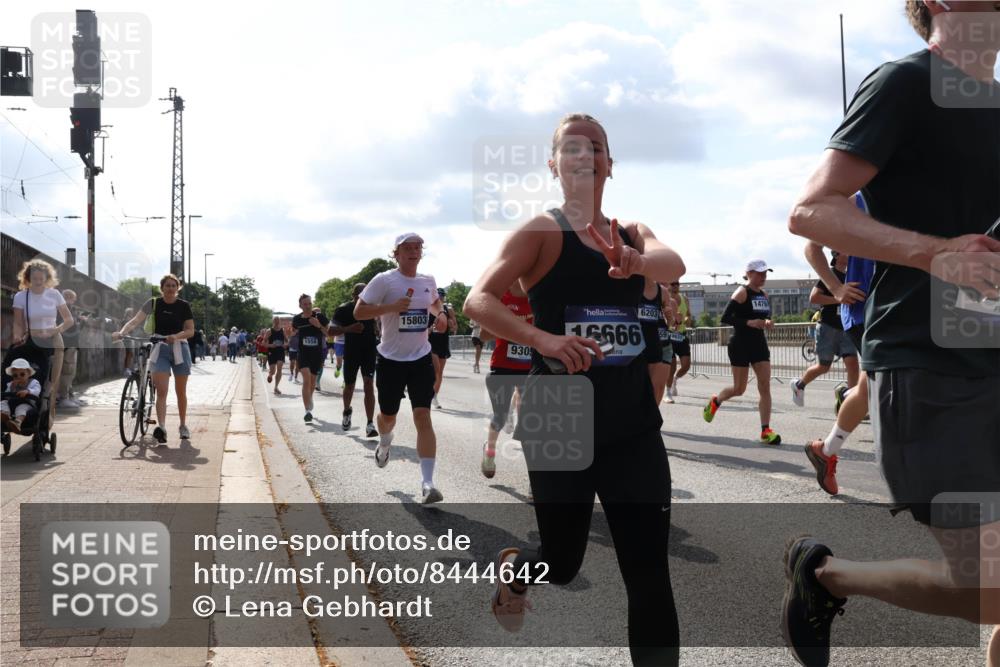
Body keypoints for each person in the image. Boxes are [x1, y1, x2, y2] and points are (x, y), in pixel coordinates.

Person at [782, 3, 1000, 665]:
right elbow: (811, 211)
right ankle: (824, 575)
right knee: (990, 585)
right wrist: (934, 252)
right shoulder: (905, 83)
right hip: (929, 366)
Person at [463, 113, 685, 665]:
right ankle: (518, 573)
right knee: (561, 564)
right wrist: (543, 338)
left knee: (649, 573)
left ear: (611, 164)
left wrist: (634, 261)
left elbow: (673, 261)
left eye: (597, 147)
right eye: (572, 147)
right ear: (554, 164)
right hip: (559, 412)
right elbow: (478, 300)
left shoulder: (631, 232)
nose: (586, 155)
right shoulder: (541, 231)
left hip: (632, 419)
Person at [354, 232, 449, 504]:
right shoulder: (384, 280)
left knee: (423, 416)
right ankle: (385, 441)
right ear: (395, 253)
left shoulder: (427, 280)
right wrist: (391, 307)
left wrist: (440, 314)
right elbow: (359, 312)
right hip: (391, 359)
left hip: (420, 358)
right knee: (387, 415)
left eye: (417, 247)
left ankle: (428, 484)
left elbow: (433, 301)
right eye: (406, 248)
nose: (413, 251)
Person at [801, 194, 873, 496]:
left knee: (871, 386)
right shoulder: (859, 199)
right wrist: (836, 288)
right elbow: (811, 245)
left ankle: (827, 450)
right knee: (881, 384)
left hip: (910, 306)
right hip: (866, 310)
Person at [702, 260, 781, 445]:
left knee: (765, 386)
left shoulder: (764, 294)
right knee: (739, 389)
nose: (763, 277)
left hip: (759, 344)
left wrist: (768, 322)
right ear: (749, 273)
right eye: (760, 273)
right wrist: (749, 322)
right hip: (740, 344)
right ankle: (716, 400)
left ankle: (765, 430)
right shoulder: (741, 292)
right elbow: (725, 317)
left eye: (765, 273)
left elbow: (766, 316)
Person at [114, 274, 195, 444]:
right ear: (162, 288)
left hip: (180, 347)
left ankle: (182, 425)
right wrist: (122, 332)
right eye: (167, 285)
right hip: (159, 348)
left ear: (178, 288)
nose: (171, 288)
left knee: (181, 392)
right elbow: (135, 321)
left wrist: (176, 336)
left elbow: (190, 330)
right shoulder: (153, 303)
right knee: (162, 389)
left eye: (174, 285)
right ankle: (162, 428)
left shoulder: (184, 306)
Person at [790, 250, 860, 406]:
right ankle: (799, 385)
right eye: (847, 251)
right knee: (824, 366)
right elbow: (814, 298)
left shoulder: (851, 276)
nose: (851, 254)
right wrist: (837, 298)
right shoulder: (830, 275)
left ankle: (851, 403)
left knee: (853, 365)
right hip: (828, 326)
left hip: (846, 328)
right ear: (837, 255)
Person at [478, 283, 532, 479]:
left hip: (530, 369)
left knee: (530, 424)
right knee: (500, 417)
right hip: (502, 367)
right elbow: (483, 335)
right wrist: (511, 324)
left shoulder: (537, 294)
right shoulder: (502, 297)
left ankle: (534, 480)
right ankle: (489, 452)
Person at [11, 259, 73, 427]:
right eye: (34, 279)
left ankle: (45, 423)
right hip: (30, 340)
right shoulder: (21, 296)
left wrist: (54, 330)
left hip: (53, 342)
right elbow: (18, 322)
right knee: (28, 377)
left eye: (41, 279)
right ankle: (22, 415)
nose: (38, 282)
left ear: (46, 278)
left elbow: (69, 320)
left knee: (50, 384)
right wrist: (17, 336)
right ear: (28, 278)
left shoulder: (54, 294)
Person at [331, 283, 378, 437]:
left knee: (369, 384)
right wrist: (348, 329)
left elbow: (377, 322)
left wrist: (376, 327)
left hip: (369, 351)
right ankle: (346, 411)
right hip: (351, 351)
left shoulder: (372, 307)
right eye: (361, 295)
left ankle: (370, 423)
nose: (364, 298)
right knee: (350, 385)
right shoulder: (344, 309)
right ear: (354, 296)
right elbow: (330, 331)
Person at [292, 295, 328, 422]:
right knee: (306, 379)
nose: (307, 306)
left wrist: (318, 325)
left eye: (309, 303)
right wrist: (289, 334)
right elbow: (292, 333)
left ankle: (310, 398)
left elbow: (329, 334)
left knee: (312, 382)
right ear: (300, 306)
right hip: (303, 353)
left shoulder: (320, 317)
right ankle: (307, 410)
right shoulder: (296, 319)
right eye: (305, 304)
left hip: (316, 354)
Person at [638, 278, 670, 404]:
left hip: (654, 344)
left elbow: (671, 325)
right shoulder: (631, 285)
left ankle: (650, 419)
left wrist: (670, 318)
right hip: (635, 345)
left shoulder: (663, 292)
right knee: (638, 387)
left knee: (655, 388)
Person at [428, 287, 458, 408]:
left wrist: (452, 325)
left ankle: (434, 396)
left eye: (442, 296)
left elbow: (454, 327)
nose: (440, 298)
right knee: (436, 370)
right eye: (438, 295)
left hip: (443, 343)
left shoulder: (448, 309)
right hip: (431, 343)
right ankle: (428, 394)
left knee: (440, 373)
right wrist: (429, 329)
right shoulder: (428, 308)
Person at [57, 289, 87, 408]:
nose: (74, 301)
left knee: (70, 372)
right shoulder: (64, 308)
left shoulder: (68, 308)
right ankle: (64, 398)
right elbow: (70, 326)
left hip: (71, 343)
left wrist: (80, 321)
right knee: (66, 371)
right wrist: (81, 322)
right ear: (69, 297)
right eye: (73, 298)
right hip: (67, 343)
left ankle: (69, 396)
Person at [1, 358, 43, 435]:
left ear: (29, 374)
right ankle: (5, 415)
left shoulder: (33, 382)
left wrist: (28, 391)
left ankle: (17, 422)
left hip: (27, 403)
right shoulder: (11, 384)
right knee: (3, 402)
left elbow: (37, 390)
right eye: (15, 375)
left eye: (22, 374)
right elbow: (5, 395)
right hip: (12, 404)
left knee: (21, 408)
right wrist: (12, 388)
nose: (19, 377)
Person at [666, 281, 692, 400]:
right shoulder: (665, 298)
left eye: (677, 284)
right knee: (671, 366)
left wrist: (686, 319)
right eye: (673, 284)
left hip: (681, 336)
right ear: (669, 285)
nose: (675, 286)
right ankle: (668, 392)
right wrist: (674, 321)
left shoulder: (685, 299)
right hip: (669, 335)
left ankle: (675, 380)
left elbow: (688, 315)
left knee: (686, 365)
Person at [266, 316, 287, 395]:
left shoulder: (282, 330)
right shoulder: (269, 331)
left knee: (279, 368)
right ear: (273, 322)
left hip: (280, 351)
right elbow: (264, 343)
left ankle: (276, 387)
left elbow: (287, 341)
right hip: (272, 352)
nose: (277, 322)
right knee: (273, 371)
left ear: (280, 322)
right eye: (275, 321)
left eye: (278, 321)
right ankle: (270, 375)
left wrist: (285, 345)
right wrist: (271, 345)